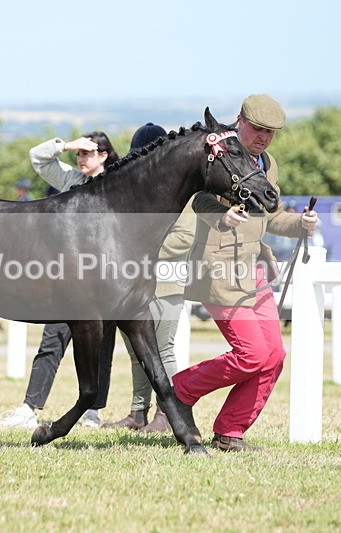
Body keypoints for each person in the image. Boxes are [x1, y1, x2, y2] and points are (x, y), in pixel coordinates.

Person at [171, 94, 319, 452]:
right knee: (251, 354)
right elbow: (198, 198)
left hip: (253, 270)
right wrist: (220, 215)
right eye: (257, 129)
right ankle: (179, 391)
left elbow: (272, 215)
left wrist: (300, 223)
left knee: (273, 356)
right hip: (219, 269)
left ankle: (230, 431)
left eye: (270, 132)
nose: (263, 138)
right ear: (240, 120)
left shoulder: (267, 163)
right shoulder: (218, 152)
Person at [0, 131, 120, 429]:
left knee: (101, 350)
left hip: (104, 285)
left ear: (104, 155)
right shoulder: (71, 180)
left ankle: (92, 411)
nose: (81, 159)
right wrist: (66, 146)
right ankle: (28, 408)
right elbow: (37, 158)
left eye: (87, 153)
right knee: (51, 343)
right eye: (79, 154)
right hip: (68, 284)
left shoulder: (118, 185)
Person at [101, 123, 195, 433]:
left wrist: (138, 249)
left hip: (167, 281)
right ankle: (137, 412)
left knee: (163, 350)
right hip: (136, 284)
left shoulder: (182, 192)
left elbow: (184, 238)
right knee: (137, 351)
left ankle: (167, 414)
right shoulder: (139, 195)